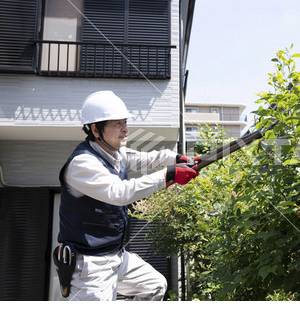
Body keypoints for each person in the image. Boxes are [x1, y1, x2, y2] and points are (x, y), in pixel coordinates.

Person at [56, 90, 199, 301]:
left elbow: (148, 159)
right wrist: (170, 175)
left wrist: (177, 158)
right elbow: (120, 193)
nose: (125, 129)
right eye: (117, 124)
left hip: (117, 256)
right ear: (96, 130)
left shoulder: (116, 154)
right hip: (89, 266)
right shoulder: (82, 163)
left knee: (155, 286)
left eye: (125, 122)